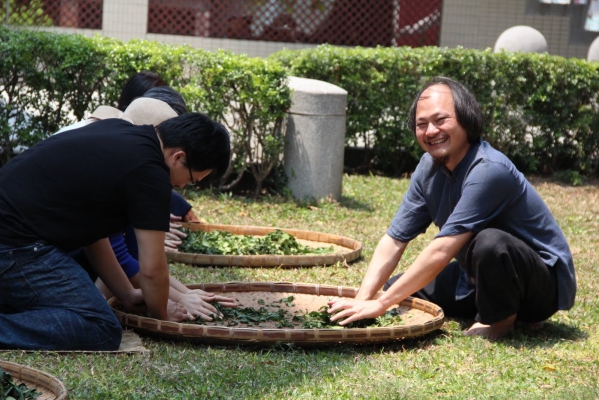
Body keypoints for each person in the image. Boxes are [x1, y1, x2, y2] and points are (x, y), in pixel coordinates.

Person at [328, 76, 576, 340]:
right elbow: (395, 239)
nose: (431, 131)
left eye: (441, 120)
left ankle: (500, 320)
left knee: (490, 242)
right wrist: (364, 298)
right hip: (475, 277)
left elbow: (442, 250)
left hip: (537, 286)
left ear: (466, 120)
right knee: (395, 289)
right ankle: (486, 302)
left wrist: (380, 305)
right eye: (421, 124)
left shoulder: (489, 169)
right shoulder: (427, 167)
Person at [0, 105, 231, 350]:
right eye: (193, 179)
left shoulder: (121, 132)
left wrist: (127, 294)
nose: (184, 186)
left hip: (15, 238)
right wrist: (163, 314)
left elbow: (93, 235)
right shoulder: (151, 171)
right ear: (178, 157)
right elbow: (152, 268)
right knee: (100, 326)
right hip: (15, 244)